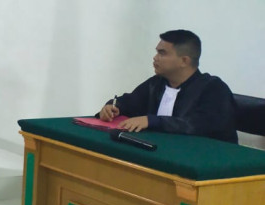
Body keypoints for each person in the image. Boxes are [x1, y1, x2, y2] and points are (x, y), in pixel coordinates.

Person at [98, 29, 237, 143]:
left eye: (162, 53)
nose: (155, 57)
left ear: (184, 61)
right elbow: (129, 102)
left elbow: (198, 125)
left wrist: (151, 121)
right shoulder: (156, 83)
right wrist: (113, 107)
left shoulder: (214, 89)